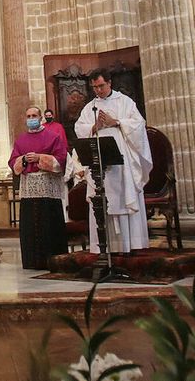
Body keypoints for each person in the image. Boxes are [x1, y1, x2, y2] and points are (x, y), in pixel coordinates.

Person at [73, 70, 152, 254]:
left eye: (101, 86)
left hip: (121, 163)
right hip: (98, 161)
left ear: (109, 83)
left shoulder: (124, 102)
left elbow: (139, 125)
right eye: (95, 87)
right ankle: (104, 247)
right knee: (102, 199)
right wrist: (95, 126)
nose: (98, 90)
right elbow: (79, 128)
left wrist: (116, 122)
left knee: (123, 198)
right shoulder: (90, 107)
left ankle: (129, 245)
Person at [10, 105, 69, 269]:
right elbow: (12, 161)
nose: (31, 119)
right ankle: (32, 261)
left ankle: (54, 260)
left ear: (41, 117)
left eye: (34, 116)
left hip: (47, 190)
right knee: (31, 226)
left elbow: (61, 160)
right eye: (28, 116)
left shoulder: (53, 137)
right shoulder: (21, 140)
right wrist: (23, 160)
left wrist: (39, 158)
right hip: (29, 188)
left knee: (49, 225)